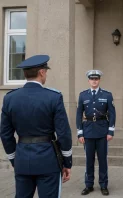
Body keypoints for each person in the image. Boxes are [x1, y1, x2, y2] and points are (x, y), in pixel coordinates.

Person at [0, 55, 72, 197]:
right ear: (42, 72)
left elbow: (5, 133)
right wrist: (67, 162)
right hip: (48, 160)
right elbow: (63, 133)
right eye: (46, 71)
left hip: (22, 159)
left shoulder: (10, 98)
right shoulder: (53, 97)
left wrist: (14, 159)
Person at [76, 70, 116, 196]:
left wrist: (110, 131)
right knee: (89, 160)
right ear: (88, 80)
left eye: (96, 79)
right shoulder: (83, 95)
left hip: (102, 131)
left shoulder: (107, 95)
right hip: (87, 131)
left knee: (102, 160)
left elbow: (112, 113)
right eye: (92, 79)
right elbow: (78, 114)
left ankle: (103, 184)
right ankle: (89, 185)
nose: (94, 81)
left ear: (99, 80)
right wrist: (80, 132)